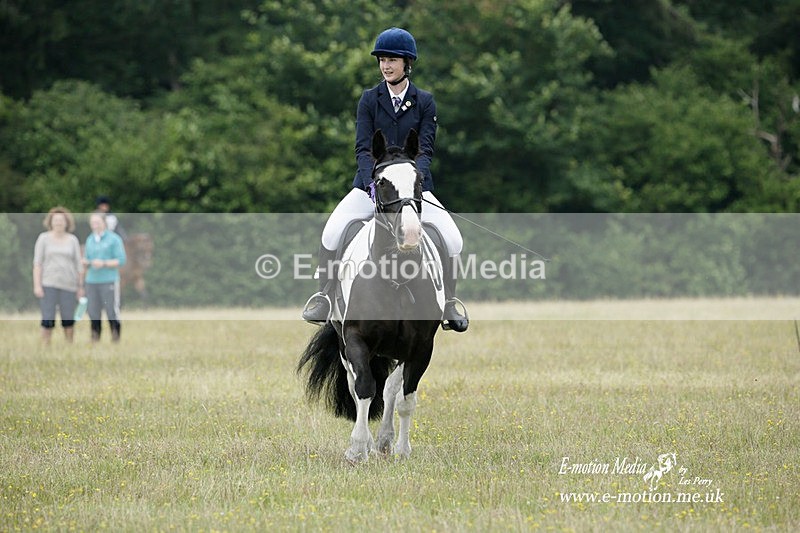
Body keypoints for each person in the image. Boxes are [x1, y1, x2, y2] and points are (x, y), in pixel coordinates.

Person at [302, 27, 468, 332]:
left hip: (413, 190)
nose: (386, 66)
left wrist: (412, 186)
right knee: (332, 231)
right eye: (382, 60)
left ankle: (448, 304)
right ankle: (324, 296)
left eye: (392, 60)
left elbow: (425, 151)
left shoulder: (425, 102)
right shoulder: (369, 100)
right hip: (371, 187)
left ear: (407, 63)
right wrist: (370, 184)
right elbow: (363, 148)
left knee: (453, 238)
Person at [33, 207, 84, 344]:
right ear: (51, 222)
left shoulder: (72, 240)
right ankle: (45, 345)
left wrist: (80, 286)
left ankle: (69, 345)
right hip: (49, 283)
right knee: (48, 316)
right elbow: (38, 263)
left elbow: (79, 265)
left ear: (67, 222)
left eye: (61, 220)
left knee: (68, 317)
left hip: (69, 284)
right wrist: (37, 285)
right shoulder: (43, 239)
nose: (59, 223)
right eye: (56, 220)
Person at [83, 212, 126, 342]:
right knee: (93, 311)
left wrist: (104, 263)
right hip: (91, 280)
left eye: (97, 222)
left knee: (111, 310)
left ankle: (115, 338)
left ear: (104, 223)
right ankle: (95, 338)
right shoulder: (90, 239)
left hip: (108, 280)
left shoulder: (114, 239)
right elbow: (88, 258)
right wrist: (86, 262)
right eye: (92, 223)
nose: (94, 225)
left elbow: (121, 260)